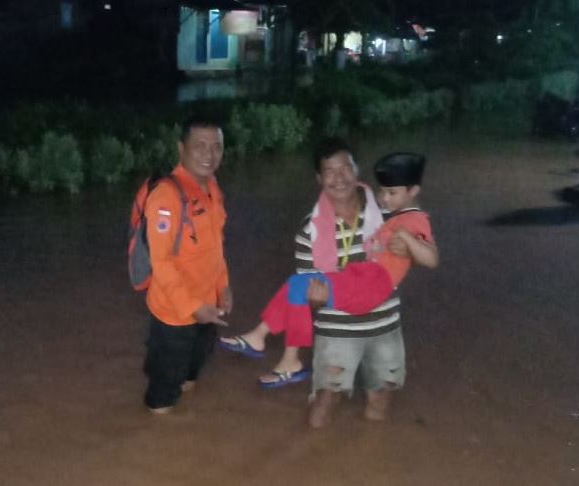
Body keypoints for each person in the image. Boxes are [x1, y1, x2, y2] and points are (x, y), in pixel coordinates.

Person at [233, 153, 438, 365]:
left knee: (299, 286)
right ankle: (274, 348)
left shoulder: (415, 219)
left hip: (374, 285)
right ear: (319, 178)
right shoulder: (383, 213)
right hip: (365, 278)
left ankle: (278, 351)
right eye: (382, 191)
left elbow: (431, 258)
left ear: (413, 191)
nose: (384, 198)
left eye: (392, 192)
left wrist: (407, 241)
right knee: (299, 285)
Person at [219, 139, 384, 388]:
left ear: (357, 169)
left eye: (345, 168)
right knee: (299, 287)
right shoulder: (311, 230)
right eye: (330, 171)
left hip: (375, 301)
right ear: (319, 179)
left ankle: (273, 347)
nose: (339, 177)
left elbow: (408, 245)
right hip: (341, 306)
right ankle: (280, 354)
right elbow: (307, 299)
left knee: (378, 401)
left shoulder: (381, 210)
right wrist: (315, 300)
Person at [142, 115, 232, 415]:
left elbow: (215, 245)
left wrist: (224, 287)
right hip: (174, 313)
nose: (209, 155)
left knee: (192, 376)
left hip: (208, 309)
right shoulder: (167, 196)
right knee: (162, 401)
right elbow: (161, 262)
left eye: (217, 147)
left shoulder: (212, 188)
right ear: (182, 149)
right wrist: (193, 306)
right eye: (201, 146)